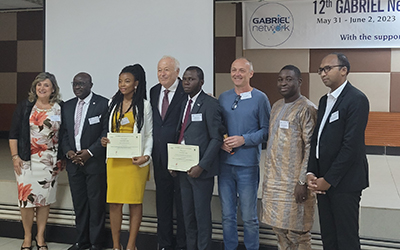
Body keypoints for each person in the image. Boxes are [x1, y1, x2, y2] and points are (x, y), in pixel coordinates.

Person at [307, 52, 369, 250]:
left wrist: (329, 180)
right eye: (320, 70)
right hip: (323, 181)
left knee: (346, 238)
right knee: (329, 236)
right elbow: (317, 140)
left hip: (345, 182)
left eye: (327, 68)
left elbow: (351, 146)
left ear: (344, 70)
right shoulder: (325, 100)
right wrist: (311, 172)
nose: (323, 73)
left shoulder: (356, 99)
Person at [261, 65, 317, 249]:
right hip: (274, 182)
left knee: (298, 233)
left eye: (288, 79)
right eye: (280, 79)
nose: (283, 82)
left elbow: (311, 148)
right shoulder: (276, 106)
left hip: (295, 185)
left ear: (299, 82)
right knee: (279, 231)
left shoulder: (307, 109)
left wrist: (302, 182)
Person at [218, 58, 271, 250]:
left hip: (247, 166)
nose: (237, 74)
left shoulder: (260, 98)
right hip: (225, 165)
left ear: (251, 73)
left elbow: (266, 131)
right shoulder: (223, 97)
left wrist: (244, 139)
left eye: (242, 70)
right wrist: (220, 142)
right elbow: (218, 127)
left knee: (249, 217)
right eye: (233, 70)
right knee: (227, 216)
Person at [9, 72, 64, 250]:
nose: (42, 88)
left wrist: (62, 158)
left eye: (46, 85)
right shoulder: (26, 106)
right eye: (39, 85)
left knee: (44, 200)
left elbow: (65, 135)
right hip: (26, 160)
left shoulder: (59, 108)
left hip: (50, 162)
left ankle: (40, 237)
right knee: (26, 200)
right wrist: (15, 157)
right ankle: (27, 237)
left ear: (53, 88)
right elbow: (13, 134)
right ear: (35, 87)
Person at [101, 64, 153, 250]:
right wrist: (105, 140)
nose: (123, 84)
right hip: (115, 160)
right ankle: (116, 245)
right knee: (115, 203)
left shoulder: (145, 105)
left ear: (136, 84)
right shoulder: (112, 103)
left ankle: (131, 245)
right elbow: (107, 131)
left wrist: (146, 156)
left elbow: (148, 134)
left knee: (134, 202)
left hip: (135, 161)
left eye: (127, 81)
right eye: (120, 81)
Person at [175, 66, 224, 250]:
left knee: (201, 215)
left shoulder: (210, 104)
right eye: (185, 79)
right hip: (183, 169)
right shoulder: (183, 104)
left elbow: (216, 138)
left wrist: (202, 166)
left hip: (201, 172)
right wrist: (175, 162)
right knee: (187, 215)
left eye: (191, 79)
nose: (186, 82)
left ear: (201, 82)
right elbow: (181, 135)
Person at [62, 72, 109, 250]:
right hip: (74, 164)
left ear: (91, 85)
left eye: (81, 84)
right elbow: (64, 133)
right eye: (74, 83)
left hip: (94, 163)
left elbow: (106, 132)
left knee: (96, 205)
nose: (77, 87)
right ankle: (81, 242)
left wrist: (89, 152)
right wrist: (69, 152)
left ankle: (96, 243)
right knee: (79, 205)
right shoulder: (67, 106)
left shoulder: (103, 104)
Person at [150, 56, 187, 250]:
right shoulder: (154, 91)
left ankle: (182, 245)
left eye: (166, 70)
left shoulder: (186, 90)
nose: (162, 74)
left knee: (182, 204)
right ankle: (164, 244)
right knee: (162, 203)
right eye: (159, 70)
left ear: (177, 72)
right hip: (159, 157)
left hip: (181, 158)